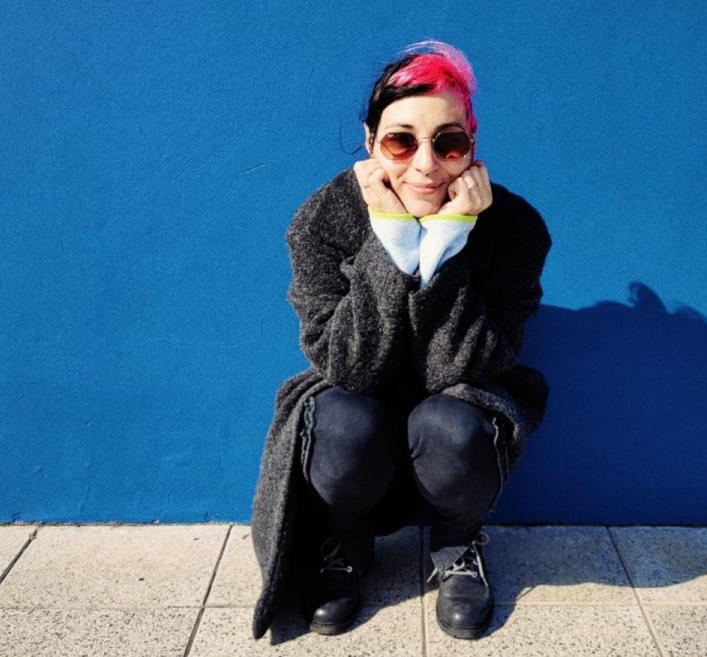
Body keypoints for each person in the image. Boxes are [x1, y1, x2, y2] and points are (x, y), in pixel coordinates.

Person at [250, 40, 551, 641]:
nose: (424, 164)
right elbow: (346, 366)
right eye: (401, 140)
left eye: (448, 142)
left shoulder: (513, 227)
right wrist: (392, 244)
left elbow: (466, 366)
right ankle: (348, 542)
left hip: (457, 402)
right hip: (357, 399)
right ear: (370, 142)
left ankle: (458, 544)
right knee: (340, 419)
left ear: (472, 143)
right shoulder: (324, 220)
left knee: (450, 424)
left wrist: (446, 243)